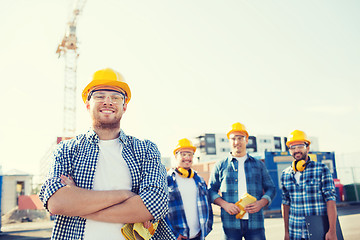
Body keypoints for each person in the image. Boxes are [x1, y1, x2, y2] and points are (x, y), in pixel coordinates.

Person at [39, 68, 175, 240]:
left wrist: (77, 203)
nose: (108, 102)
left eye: (116, 97)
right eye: (100, 96)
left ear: (124, 106)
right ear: (88, 104)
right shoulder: (67, 149)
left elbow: (155, 206)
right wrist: (125, 195)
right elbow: (57, 203)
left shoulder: (146, 150)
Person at [208, 122, 276, 240]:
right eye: (233, 138)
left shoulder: (259, 165)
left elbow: (271, 188)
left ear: (247, 140)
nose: (237, 142)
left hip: (255, 223)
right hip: (230, 225)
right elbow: (210, 191)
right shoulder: (220, 165)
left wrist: (261, 203)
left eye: (240, 138)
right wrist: (225, 204)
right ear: (229, 141)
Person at [281, 130, 337, 240]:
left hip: (318, 232)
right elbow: (285, 204)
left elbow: (330, 200)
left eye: (300, 146)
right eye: (292, 147)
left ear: (307, 148)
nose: (296, 150)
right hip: (294, 233)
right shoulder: (285, 174)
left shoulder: (321, 169)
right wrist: (286, 232)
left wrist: (332, 231)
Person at [167, 138, 213, 240]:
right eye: (183, 154)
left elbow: (208, 206)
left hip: (198, 236)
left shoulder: (199, 180)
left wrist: (206, 228)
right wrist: (173, 234)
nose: (187, 158)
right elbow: (160, 213)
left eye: (190, 154)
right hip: (177, 238)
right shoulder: (167, 180)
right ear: (176, 156)